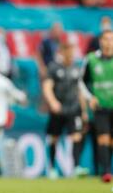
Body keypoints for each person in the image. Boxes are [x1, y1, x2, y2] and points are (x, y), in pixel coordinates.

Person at [42, 43, 89, 179]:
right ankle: (52, 168)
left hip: (73, 108)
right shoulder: (54, 68)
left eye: (72, 52)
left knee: (76, 136)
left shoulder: (77, 68)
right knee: (54, 138)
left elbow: (80, 90)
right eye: (68, 51)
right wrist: (52, 102)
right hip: (58, 109)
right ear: (61, 52)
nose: (70, 54)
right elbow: (47, 87)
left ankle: (76, 167)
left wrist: (84, 110)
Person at [81, 30, 113, 183]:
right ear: (101, 41)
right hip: (100, 106)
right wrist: (89, 97)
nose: (108, 42)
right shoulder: (91, 59)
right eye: (106, 39)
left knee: (110, 141)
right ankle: (106, 172)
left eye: (111, 39)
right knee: (103, 139)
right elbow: (81, 82)